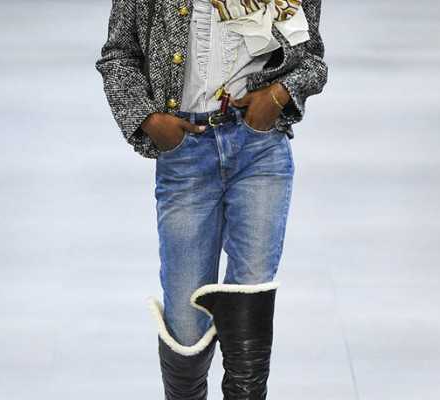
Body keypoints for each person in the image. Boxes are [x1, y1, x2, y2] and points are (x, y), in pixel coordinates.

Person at [96, 0, 327, 397]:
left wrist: (277, 95)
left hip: (260, 147)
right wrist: (149, 120)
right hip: (186, 152)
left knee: (251, 300)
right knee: (186, 326)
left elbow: (312, 58)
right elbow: (118, 55)